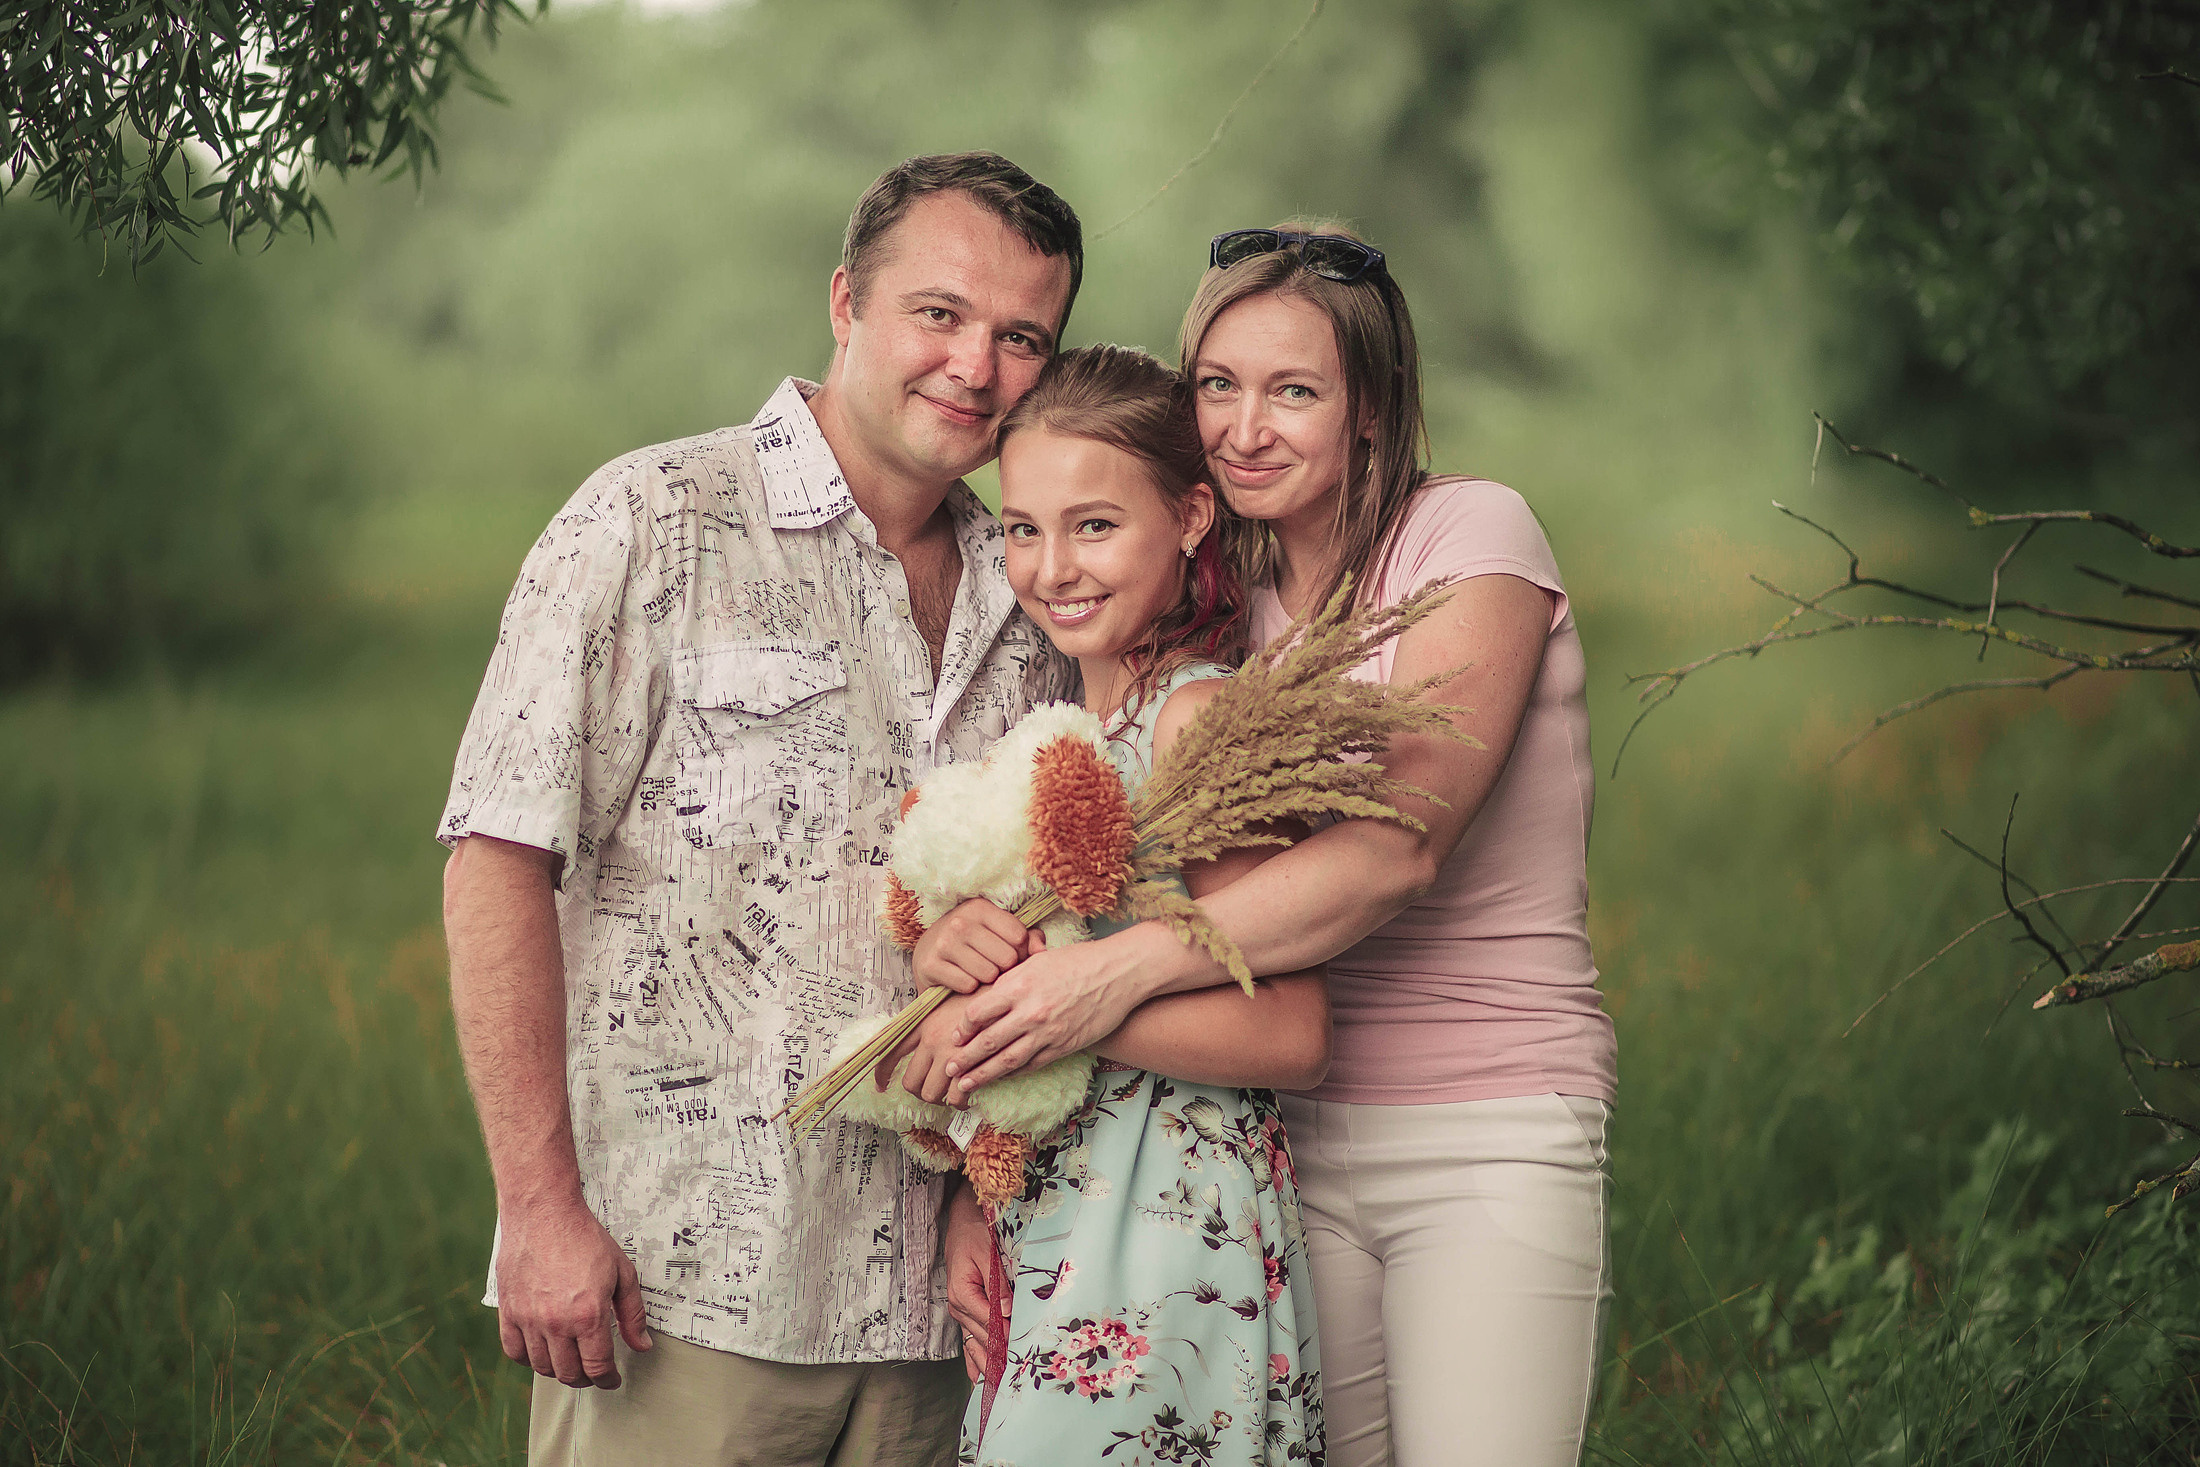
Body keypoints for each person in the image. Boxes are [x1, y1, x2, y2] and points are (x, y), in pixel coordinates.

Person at [922, 224, 1616, 1467]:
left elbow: (1397, 848)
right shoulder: (1217, 613)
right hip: (1272, 1145)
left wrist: (1092, 985)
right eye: (1218, 386)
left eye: (1294, 391)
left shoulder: (1465, 539)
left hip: (1482, 1120)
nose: (1245, 428)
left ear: (1371, 407)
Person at [436, 152, 1082, 1467]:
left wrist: (986, 1187)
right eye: (940, 313)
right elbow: (496, 856)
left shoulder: (1038, 589)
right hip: (679, 1291)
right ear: (846, 301)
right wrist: (538, 1208)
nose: (975, 366)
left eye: (1022, 338)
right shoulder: (652, 520)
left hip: (941, 1316)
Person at [888, 343, 1327, 1464]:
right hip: (1046, 1215)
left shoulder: (1199, 722)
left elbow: (1292, 1031)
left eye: (1094, 526)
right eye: (1023, 529)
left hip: (1166, 1223)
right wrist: (958, 958)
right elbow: (1036, 975)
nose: (1052, 568)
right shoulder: (1056, 732)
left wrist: (1042, 1005)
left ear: (1189, 518)